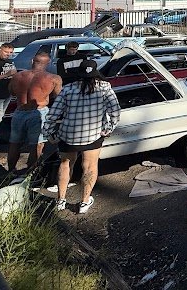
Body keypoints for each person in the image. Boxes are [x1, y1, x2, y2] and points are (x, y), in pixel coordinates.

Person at [43, 60, 120, 214]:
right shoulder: (105, 88)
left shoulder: (68, 89)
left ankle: (60, 200)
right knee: (90, 166)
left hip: (68, 135)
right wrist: (108, 128)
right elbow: (115, 112)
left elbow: (53, 114)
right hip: (93, 135)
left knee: (65, 165)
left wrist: (49, 133)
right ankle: (84, 202)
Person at [7, 52, 62, 174]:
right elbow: (59, 97)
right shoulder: (53, 78)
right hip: (39, 111)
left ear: (32, 61)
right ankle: (31, 173)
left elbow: (11, 92)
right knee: (37, 144)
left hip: (19, 111)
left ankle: (10, 171)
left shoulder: (17, 76)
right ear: (48, 63)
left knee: (14, 143)